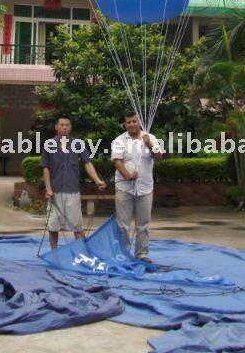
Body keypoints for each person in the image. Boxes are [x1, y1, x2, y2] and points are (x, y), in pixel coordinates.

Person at [40, 116, 106, 249]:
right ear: (56, 127)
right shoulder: (49, 144)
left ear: (70, 128)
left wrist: (97, 180)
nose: (65, 127)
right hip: (55, 191)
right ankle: (54, 251)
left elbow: (87, 163)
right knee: (53, 226)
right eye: (62, 125)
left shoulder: (78, 144)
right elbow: (45, 167)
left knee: (77, 226)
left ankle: (81, 253)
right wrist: (48, 189)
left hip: (72, 191)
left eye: (67, 125)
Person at [111, 110, 163, 263]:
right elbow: (117, 161)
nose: (132, 124)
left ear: (139, 122)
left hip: (145, 188)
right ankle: (123, 254)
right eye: (129, 122)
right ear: (125, 124)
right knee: (123, 225)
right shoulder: (119, 140)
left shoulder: (150, 137)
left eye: (134, 121)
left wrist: (149, 144)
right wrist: (127, 175)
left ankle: (141, 254)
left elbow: (159, 157)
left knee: (143, 224)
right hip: (124, 188)